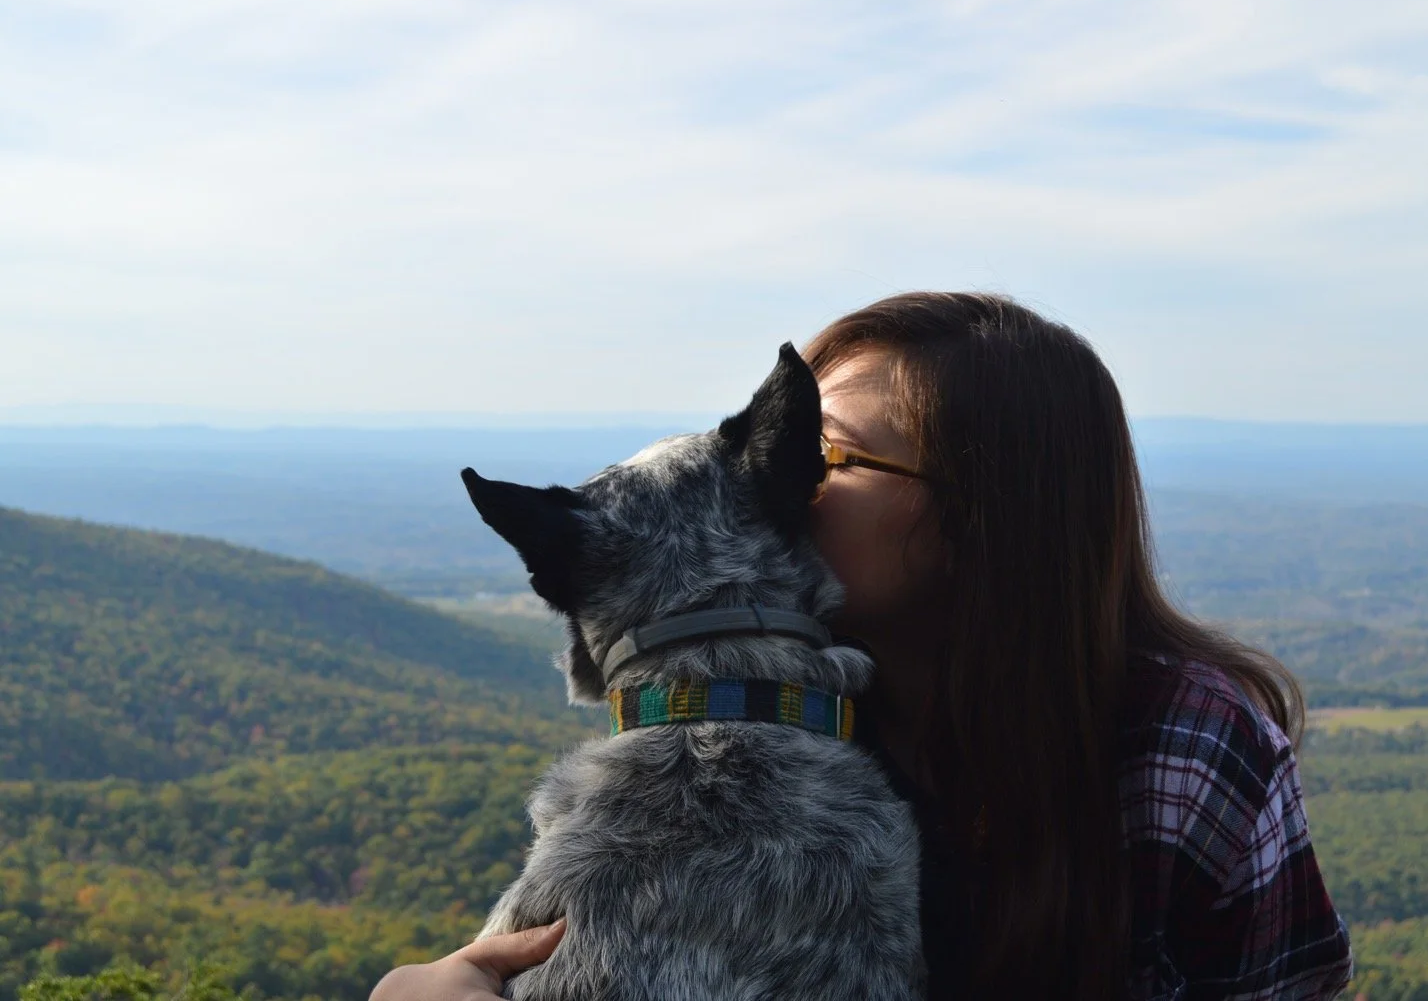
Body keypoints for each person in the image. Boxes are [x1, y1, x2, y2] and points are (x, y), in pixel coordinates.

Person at [372, 292, 1353, 1001]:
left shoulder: (1184, 749)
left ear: (988, 517)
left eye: (826, 453)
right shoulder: (753, 718)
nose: (775, 482)